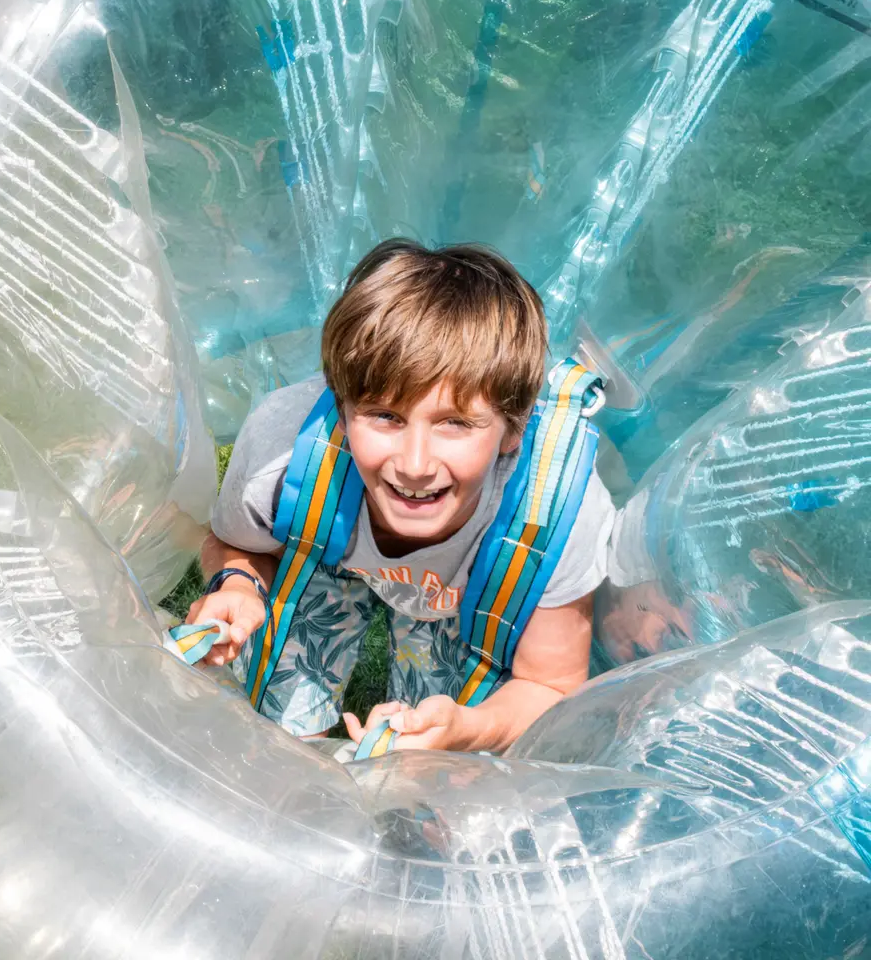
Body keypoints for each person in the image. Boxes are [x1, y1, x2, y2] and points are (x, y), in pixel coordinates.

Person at [183, 238, 615, 753]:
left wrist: (468, 730)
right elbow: (235, 543)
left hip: (472, 589)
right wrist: (236, 582)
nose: (414, 465)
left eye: (455, 423)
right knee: (277, 721)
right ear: (342, 412)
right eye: (385, 416)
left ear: (512, 431)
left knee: (435, 744)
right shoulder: (281, 457)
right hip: (328, 542)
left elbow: (548, 686)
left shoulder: (554, 516)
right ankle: (288, 751)